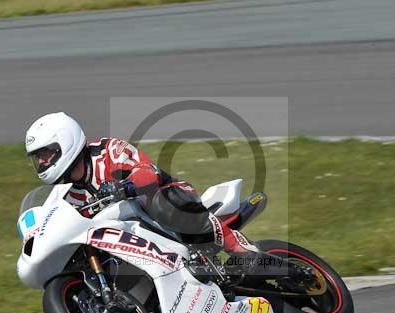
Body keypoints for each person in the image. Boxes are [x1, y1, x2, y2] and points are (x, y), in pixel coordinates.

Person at [24, 112, 310, 281]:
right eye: (38, 159)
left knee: (157, 201)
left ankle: (240, 251)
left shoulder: (108, 151)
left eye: (47, 155)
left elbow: (146, 171)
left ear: (67, 141)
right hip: (133, 236)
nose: (44, 164)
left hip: (170, 197)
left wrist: (126, 186)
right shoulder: (67, 194)